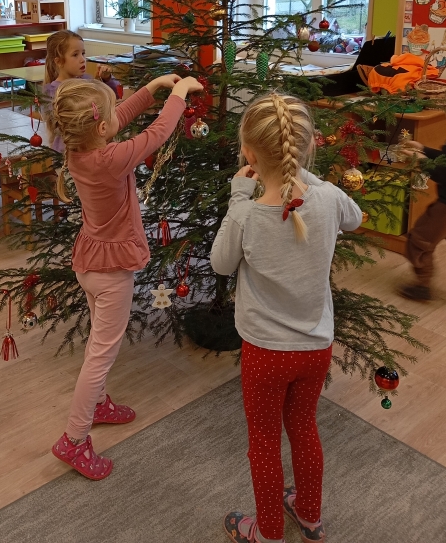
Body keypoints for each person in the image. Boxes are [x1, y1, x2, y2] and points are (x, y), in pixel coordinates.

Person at [210, 93, 362, 543]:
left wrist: (239, 195)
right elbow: (354, 219)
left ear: (248, 154)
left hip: (265, 352)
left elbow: (221, 264)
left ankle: (268, 533)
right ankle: (310, 516)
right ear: (309, 145)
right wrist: (305, 174)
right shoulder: (330, 198)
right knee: (304, 428)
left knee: (263, 443)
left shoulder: (245, 214)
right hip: (315, 348)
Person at [50, 72, 203, 480]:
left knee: (97, 345)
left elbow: (116, 117)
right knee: (100, 355)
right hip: (111, 272)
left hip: (90, 261)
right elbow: (157, 134)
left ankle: (98, 404)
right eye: (109, 116)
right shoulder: (110, 159)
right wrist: (178, 95)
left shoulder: (79, 151)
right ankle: (74, 438)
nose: (116, 118)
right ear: (100, 128)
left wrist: (151, 89)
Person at [400, 79, 446, 307]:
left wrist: (419, 159)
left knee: (419, 240)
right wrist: (424, 149)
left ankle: (421, 285)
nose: (445, 112)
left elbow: (441, 172)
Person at [43, 30, 121, 153]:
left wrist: (106, 80)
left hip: (93, 147)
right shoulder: (53, 92)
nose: (82, 59)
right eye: (75, 55)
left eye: (83, 53)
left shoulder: (87, 80)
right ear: (59, 62)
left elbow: (113, 99)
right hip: (68, 152)